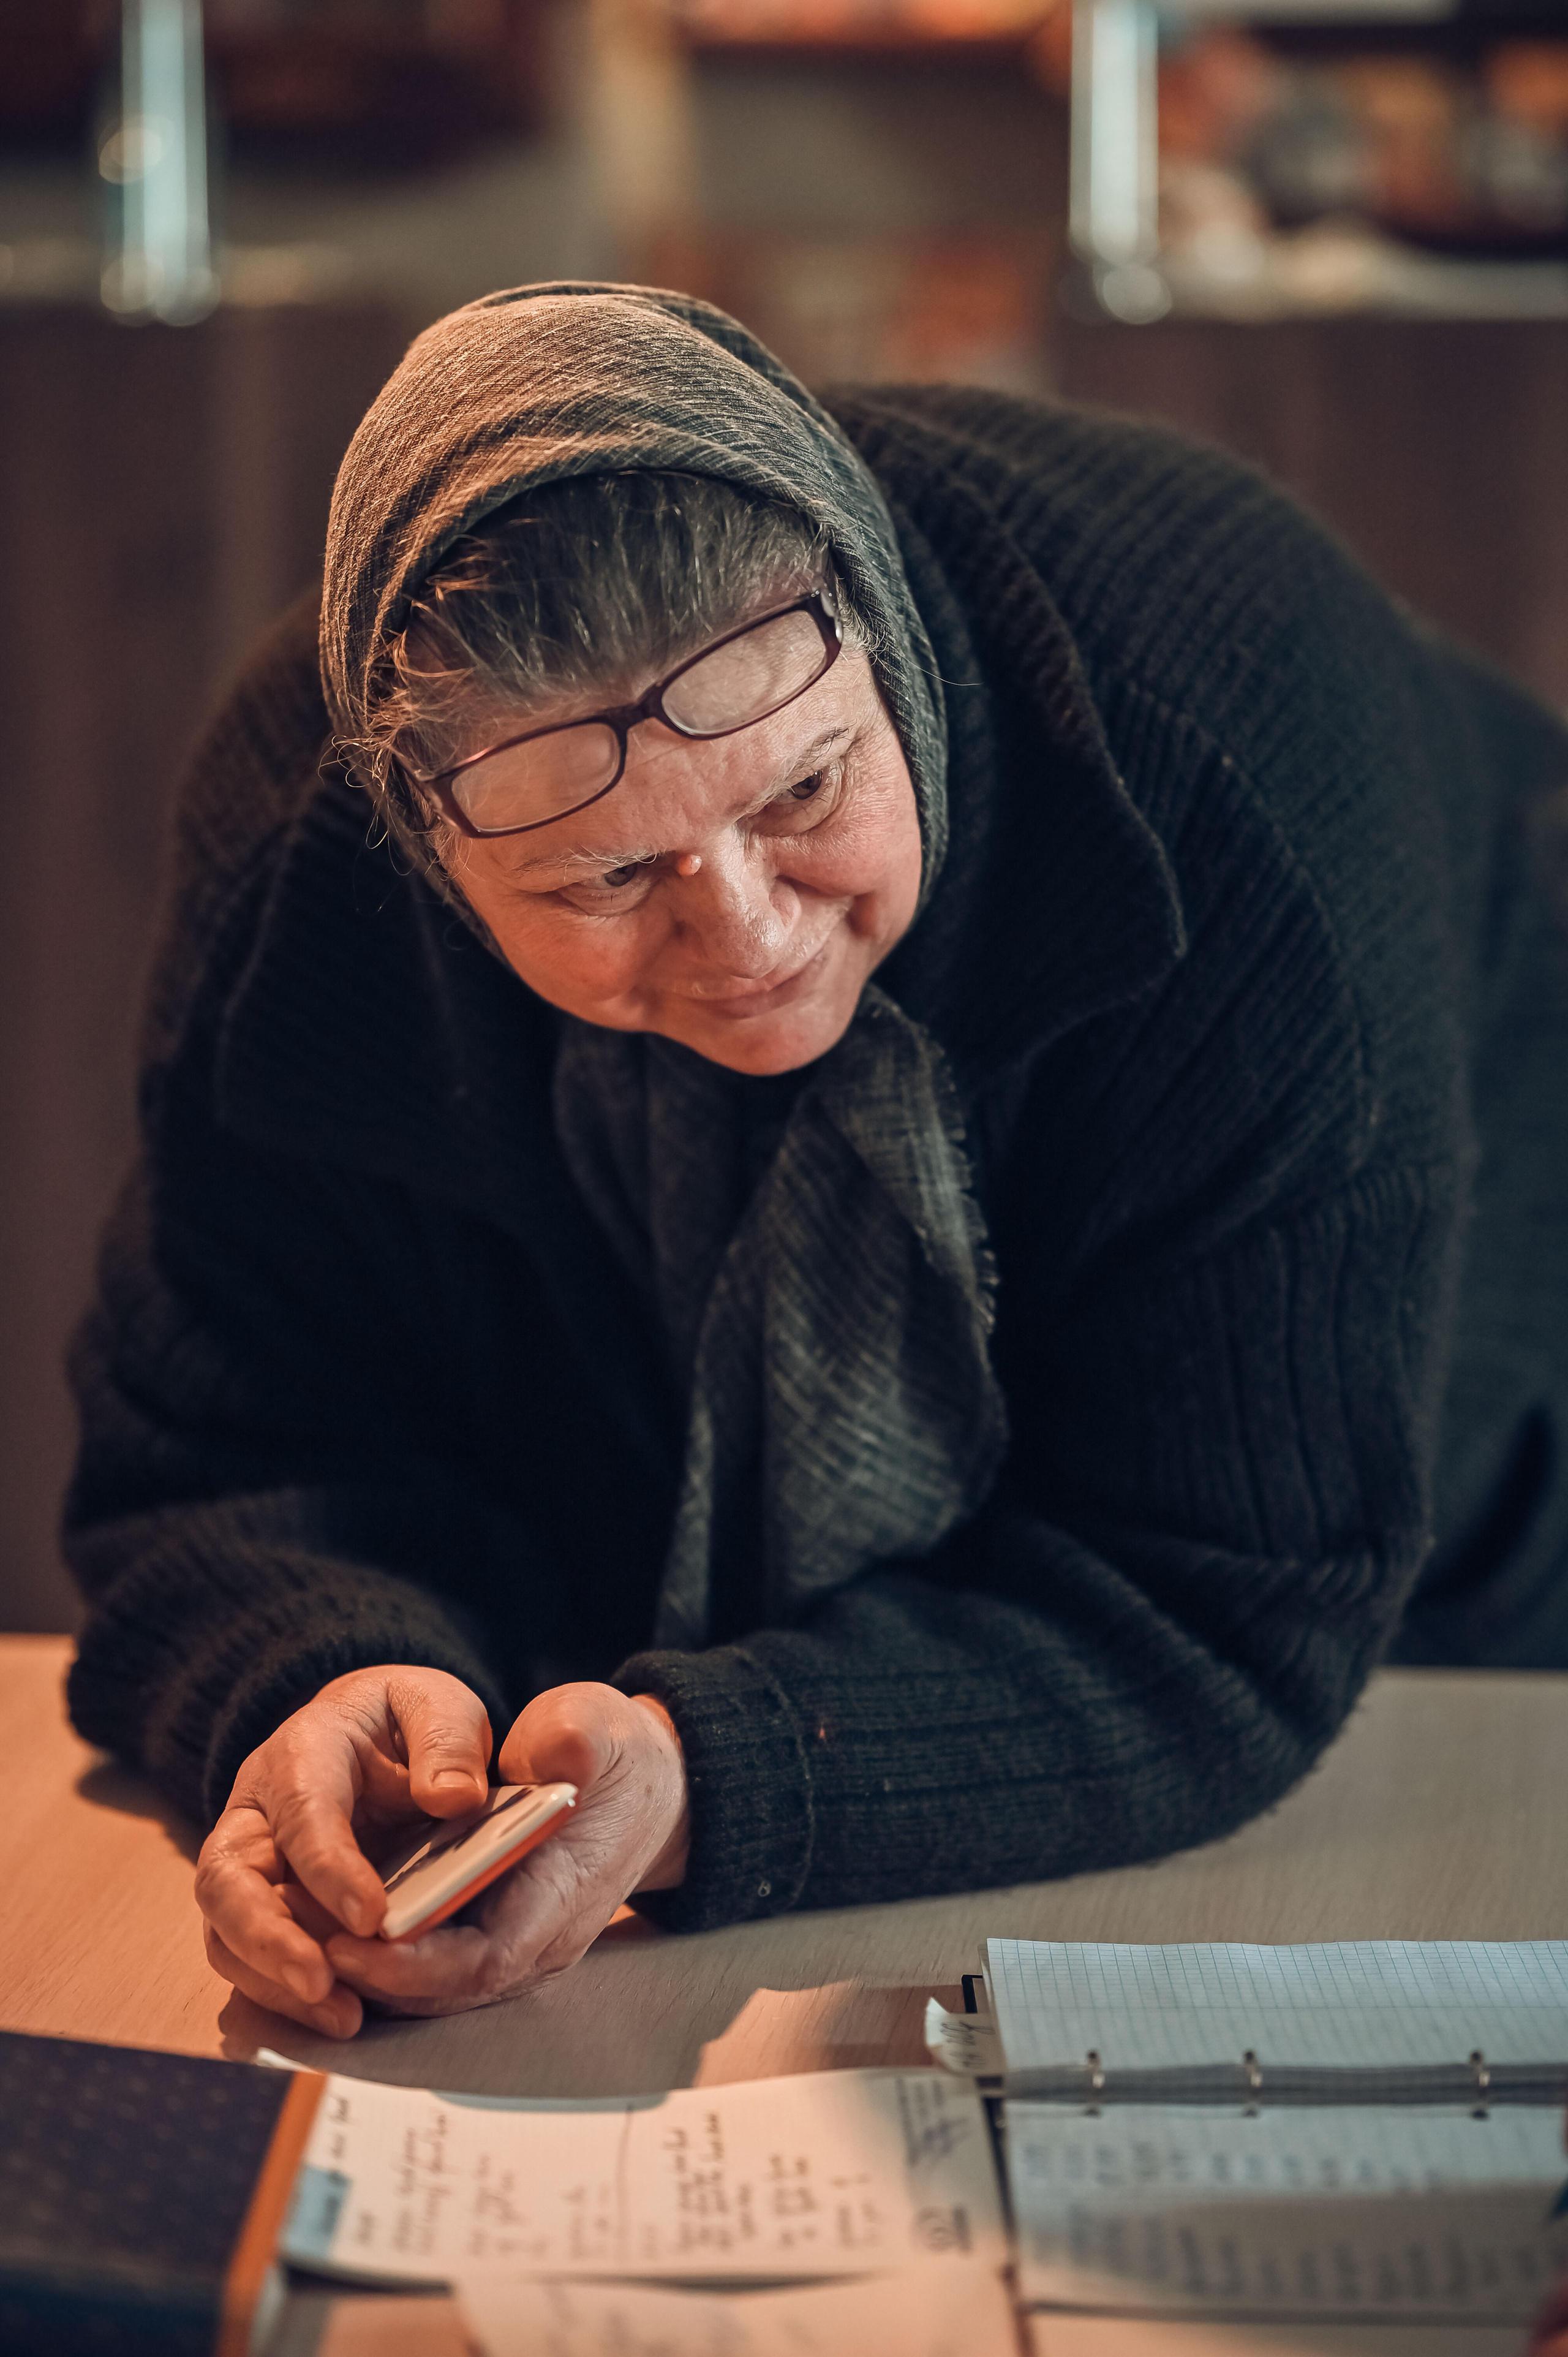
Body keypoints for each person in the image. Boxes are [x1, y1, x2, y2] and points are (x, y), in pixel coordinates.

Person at [64, 284, 1568, 2039]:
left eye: (802, 791)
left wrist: (709, 1773)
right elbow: (224, 1458)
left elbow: (1225, 1594)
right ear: (418, 857)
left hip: (1466, 1472)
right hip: (663, 1709)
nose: (750, 937)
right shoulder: (298, 870)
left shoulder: (1229, 750)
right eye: (607, 880)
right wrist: (326, 1677)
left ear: (881, 641)